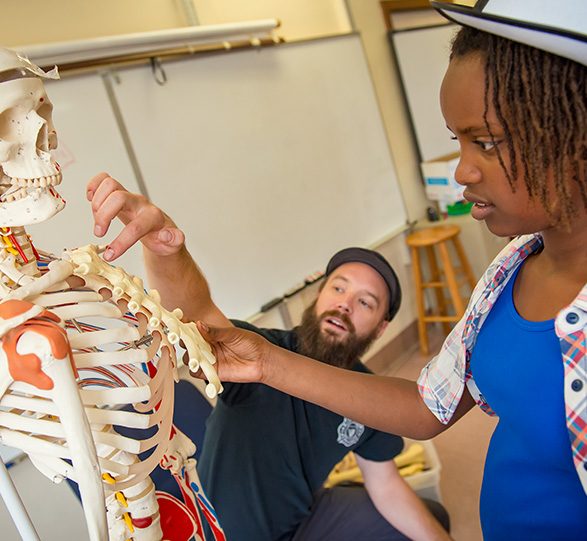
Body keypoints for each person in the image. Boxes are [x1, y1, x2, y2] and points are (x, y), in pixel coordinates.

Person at [173, 1, 587, 539]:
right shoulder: (510, 269)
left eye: (484, 142)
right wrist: (269, 363)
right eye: (456, 140)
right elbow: (428, 405)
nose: (462, 168)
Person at [87, 176, 452, 541]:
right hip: (226, 532)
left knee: (432, 518)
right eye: (339, 287)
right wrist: (166, 249)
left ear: (381, 328)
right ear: (319, 295)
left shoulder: (373, 397)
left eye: (365, 302)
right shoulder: (257, 349)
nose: (345, 304)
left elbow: (385, 484)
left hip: (302, 521)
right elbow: (193, 310)